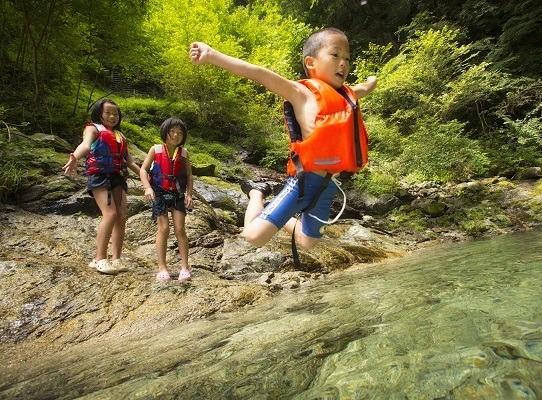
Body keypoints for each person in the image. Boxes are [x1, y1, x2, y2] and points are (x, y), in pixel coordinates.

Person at [189, 27, 377, 255]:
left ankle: (272, 209)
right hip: (303, 183)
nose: (343, 63)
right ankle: (257, 193)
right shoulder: (300, 92)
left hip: (329, 185)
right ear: (311, 63)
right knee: (253, 236)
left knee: (308, 242)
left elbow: (365, 88)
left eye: (347, 58)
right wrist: (211, 55)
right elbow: (258, 73)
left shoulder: (347, 95)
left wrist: (372, 80)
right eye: (335, 55)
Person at [62, 99, 141, 274]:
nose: (112, 116)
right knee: (110, 213)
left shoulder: (121, 136)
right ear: (99, 113)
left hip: (118, 177)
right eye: (108, 113)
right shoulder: (93, 129)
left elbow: (129, 162)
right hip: (99, 176)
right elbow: (86, 144)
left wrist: (146, 175)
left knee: (120, 216)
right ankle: (99, 258)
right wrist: (74, 157)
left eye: (115, 113)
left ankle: (116, 259)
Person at [139, 117, 193, 282]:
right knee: (163, 229)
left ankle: (185, 267)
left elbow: (190, 175)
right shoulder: (155, 150)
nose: (176, 135)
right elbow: (143, 169)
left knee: (180, 229)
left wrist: (189, 194)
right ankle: (162, 268)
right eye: (172, 132)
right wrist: (147, 187)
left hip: (177, 194)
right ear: (165, 132)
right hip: (159, 194)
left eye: (179, 132)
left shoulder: (184, 153)